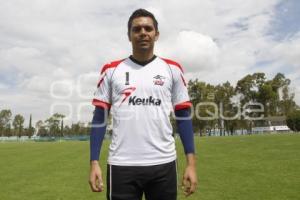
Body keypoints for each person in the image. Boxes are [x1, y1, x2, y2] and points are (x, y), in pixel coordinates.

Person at [89, 8, 197, 200]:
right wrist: (94, 162)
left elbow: (183, 116)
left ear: (156, 34)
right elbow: (99, 118)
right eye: (136, 29)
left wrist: (191, 164)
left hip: (164, 163)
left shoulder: (172, 69)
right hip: (122, 165)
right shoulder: (112, 70)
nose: (143, 33)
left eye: (148, 28)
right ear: (129, 36)